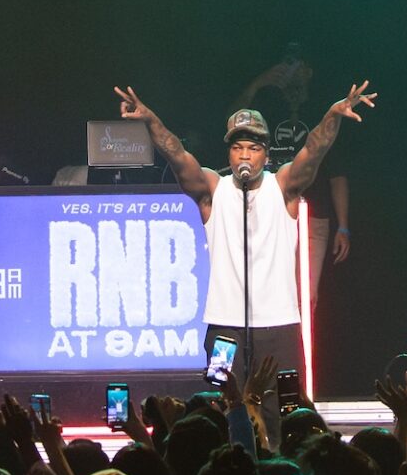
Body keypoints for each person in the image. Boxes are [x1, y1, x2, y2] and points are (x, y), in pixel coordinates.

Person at [112, 80, 376, 428]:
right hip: (224, 328)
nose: (246, 155)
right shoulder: (212, 190)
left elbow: (313, 151)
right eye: (238, 148)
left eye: (253, 147)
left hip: (278, 326)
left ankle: (279, 468)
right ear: (229, 154)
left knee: (284, 409)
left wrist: (332, 115)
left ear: (266, 154)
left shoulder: (283, 188)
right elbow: (176, 155)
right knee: (223, 406)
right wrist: (151, 122)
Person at [227, 48, 355, 319]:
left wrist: (343, 225)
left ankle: (299, 356)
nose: (289, 70)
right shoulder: (267, 108)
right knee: (263, 292)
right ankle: (271, 355)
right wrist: (259, 83)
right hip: (269, 212)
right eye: (284, 63)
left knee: (306, 296)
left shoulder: (318, 109)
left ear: (308, 70)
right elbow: (232, 125)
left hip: (313, 216)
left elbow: (338, 172)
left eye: (295, 64)